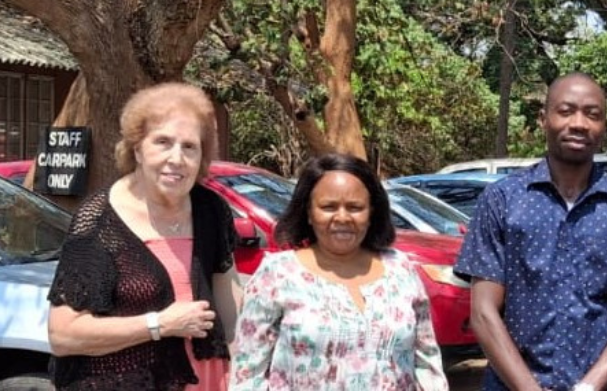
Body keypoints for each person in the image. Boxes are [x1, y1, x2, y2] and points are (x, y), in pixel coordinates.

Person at [454, 72, 607, 391]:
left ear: (604, 125)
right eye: (566, 111)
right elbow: (483, 313)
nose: (579, 123)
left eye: (592, 114)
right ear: (544, 119)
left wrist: (587, 388)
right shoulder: (502, 200)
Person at [47, 83, 243, 390]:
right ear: (137, 148)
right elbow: (63, 335)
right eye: (163, 142)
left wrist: (243, 375)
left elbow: (231, 314)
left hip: (208, 381)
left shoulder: (211, 209)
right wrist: (159, 324)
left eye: (190, 146)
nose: (177, 158)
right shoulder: (99, 220)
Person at [229, 153, 448, 391]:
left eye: (355, 207)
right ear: (309, 213)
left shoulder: (400, 268)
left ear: (371, 212)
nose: (342, 217)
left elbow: (427, 361)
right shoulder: (278, 273)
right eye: (328, 207)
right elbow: (247, 372)